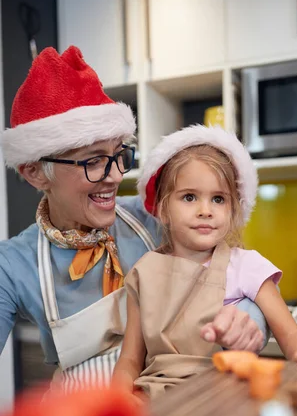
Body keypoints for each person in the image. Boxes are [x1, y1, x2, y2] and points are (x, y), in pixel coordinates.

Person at [0, 46, 267, 393]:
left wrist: (249, 320)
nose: (114, 176)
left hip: (174, 404)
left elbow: (239, 275)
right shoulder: (13, 265)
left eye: (118, 155)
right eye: (93, 161)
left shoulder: (157, 216)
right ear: (34, 172)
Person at [113, 125, 297, 398]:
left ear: (233, 210)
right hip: (155, 397)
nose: (205, 211)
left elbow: (292, 338)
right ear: (162, 209)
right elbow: (130, 361)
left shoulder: (248, 266)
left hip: (225, 396)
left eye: (218, 199)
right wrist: (118, 400)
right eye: (189, 197)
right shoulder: (143, 272)